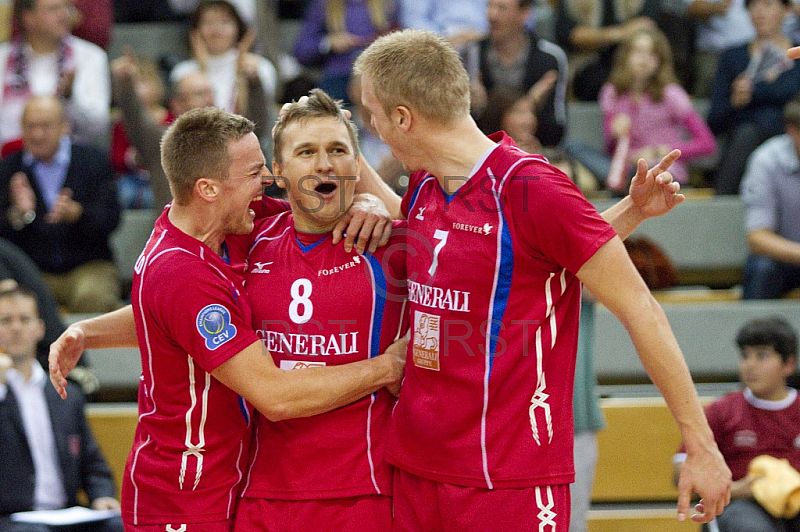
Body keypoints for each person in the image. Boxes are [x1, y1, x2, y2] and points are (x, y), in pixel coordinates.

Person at [353, 29, 731, 530]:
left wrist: (702, 446)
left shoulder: (532, 187)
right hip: (417, 467)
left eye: (372, 115)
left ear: (403, 117)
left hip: (507, 480)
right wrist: (349, 166)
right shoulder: (427, 182)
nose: (373, 126)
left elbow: (643, 310)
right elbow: (502, 250)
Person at [48, 106, 405, 531]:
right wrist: (390, 366)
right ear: (209, 189)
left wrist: (88, 330)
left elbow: (164, 316)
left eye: (336, 150)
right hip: (187, 491)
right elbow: (275, 396)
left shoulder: (237, 232)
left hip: (254, 486)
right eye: (257, 172)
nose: (265, 184)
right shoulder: (189, 269)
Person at [233, 88, 408, 531]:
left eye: (337, 150)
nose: (324, 164)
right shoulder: (248, 243)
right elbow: (174, 305)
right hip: (263, 494)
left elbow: (477, 262)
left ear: (356, 165)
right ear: (278, 171)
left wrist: (374, 201)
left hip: (365, 493)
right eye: (306, 152)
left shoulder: (392, 246)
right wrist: (87, 332)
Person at [0, 286, 122, 532]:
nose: (16, 328)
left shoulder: (65, 393)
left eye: (24, 319)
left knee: (119, 524)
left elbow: (92, 461)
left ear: (40, 329)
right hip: (11, 518)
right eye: (5, 320)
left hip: (66, 512)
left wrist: (102, 495)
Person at [673, 316, 800, 532]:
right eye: (745, 356)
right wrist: (737, 489)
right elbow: (681, 470)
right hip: (739, 506)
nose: (750, 365)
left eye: (762, 356)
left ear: (788, 364)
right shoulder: (723, 410)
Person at [0, 95, 121, 314]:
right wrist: (18, 215)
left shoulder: (93, 160)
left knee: (93, 298)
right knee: (19, 306)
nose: (37, 134)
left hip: (89, 265)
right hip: (32, 270)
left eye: (45, 126)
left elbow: (112, 219)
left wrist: (78, 215)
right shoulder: (9, 168)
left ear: (64, 126)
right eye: (30, 126)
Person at [112, 50, 271, 211]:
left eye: (211, 92)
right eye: (200, 94)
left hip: (226, 232)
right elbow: (136, 120)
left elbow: (255, 127)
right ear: (177, 104)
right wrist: (126, 86)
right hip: (178, 233)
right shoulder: (163, 142)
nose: (209, 99)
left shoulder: (230, 141)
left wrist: (254, 83)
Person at [600, 27, 717, 186]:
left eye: (652, 53)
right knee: (575, 149)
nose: (644, 59)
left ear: (660, 60)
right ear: (625, 56)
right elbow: (610, 150)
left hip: (661, 168)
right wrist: (614, 132)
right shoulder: (612, 93)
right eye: (638, 51)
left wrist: (660, 151)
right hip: (623, 167)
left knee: (649, 174)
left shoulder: (671, 94)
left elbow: (707, 144)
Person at [707, 0, 800, 195]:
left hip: (793, 135)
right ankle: (723, 205)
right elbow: (714, 120)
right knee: (746, 135)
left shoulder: (797, 55)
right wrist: (734, 102)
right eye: (754, 6)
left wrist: (758, 92)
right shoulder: (733, 57)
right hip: (744, 139)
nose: (760, 12)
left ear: (786, 10)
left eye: (768, 5)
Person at [0, 0, 110, 148]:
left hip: (72, 160)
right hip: (9, 159)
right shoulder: (2, 58)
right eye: (53, 9)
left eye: (67, 7)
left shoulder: (91, 57)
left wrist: (71, 98)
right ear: (28, 17)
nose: (64, 15)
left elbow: (98, 127)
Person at [464, 0, 567, 147]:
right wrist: (472, 107)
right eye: (490, 6)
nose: (492, 15)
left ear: (524, 13)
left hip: (534, 150)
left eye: (502, 8)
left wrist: (533, 107)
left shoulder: (549, 58)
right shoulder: (471, 53)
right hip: (481, 153)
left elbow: (557, 131)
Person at [169, 1, 277, 124]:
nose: (216, 30)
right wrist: (203, 68)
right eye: (208, 22)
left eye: (225, 22)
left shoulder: (259, 67)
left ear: (238, 28)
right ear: (196, 30)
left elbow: (257, 119)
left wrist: (242, 75)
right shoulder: (183, 72)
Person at [739, 97, 800, 299]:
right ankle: (755, 329)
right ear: (792, 131)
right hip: (783, 259)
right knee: (762, 268)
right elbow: (757, 238)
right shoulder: (766, 160)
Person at [293, 0, 398, 103]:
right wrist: (329, 43)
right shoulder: (323, 5)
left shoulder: (388, 4)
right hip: (339, 78)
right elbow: (301, 52)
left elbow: (401, 40)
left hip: (377, 76)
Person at [555, 0, 660, 101]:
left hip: (631, 59)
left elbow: (647, 25)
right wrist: (620, 33)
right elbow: (568, 34)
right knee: (595, 81)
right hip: (586, 65)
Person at [110, 57, 171, 210]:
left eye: (143, 82)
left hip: (162, 178)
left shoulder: (170, 119)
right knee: (122, 193)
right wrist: (132, 158)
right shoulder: (121, 123)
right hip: (132, 177)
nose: (138, 88)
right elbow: (116, 159)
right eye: (134, 83)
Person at [685, 0, 755, 97]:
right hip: (715, 54)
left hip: (752, 50)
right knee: (706, 99)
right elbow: (692, 7)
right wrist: (715, 7)